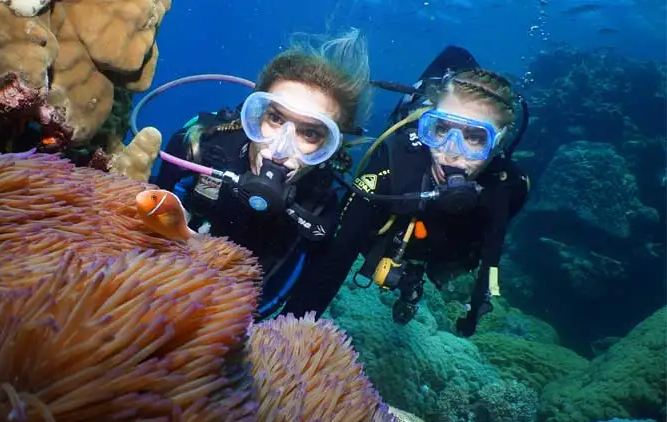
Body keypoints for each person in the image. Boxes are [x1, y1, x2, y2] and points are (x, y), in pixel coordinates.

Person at [282, 46, 531, 337]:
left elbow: (490, 258)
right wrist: (287, 336)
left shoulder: (508, 187)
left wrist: (472, 315)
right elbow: (336, 259)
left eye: (475, 137)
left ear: (499, 143)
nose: (450, 152)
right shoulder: (390, 164)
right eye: (440, 130)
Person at [151, 29, 373, 318]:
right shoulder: (199, 145)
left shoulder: (323, 209)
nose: (280, 149)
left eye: (310, 133)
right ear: (255, 114)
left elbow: (296, 306)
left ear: (332, 146)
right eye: (276, 118)